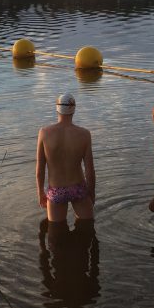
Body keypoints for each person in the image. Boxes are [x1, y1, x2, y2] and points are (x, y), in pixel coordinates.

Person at [36, 93, 96, 223]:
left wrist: (40, 192)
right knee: (87, 229)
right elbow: (90, 171)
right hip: (78, 188)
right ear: (74, 109)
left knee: (56, 234)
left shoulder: (44, 133)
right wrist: (91, 192)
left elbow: (40, 169)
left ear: (57, 108)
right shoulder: (84, 134)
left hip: (56, 190)